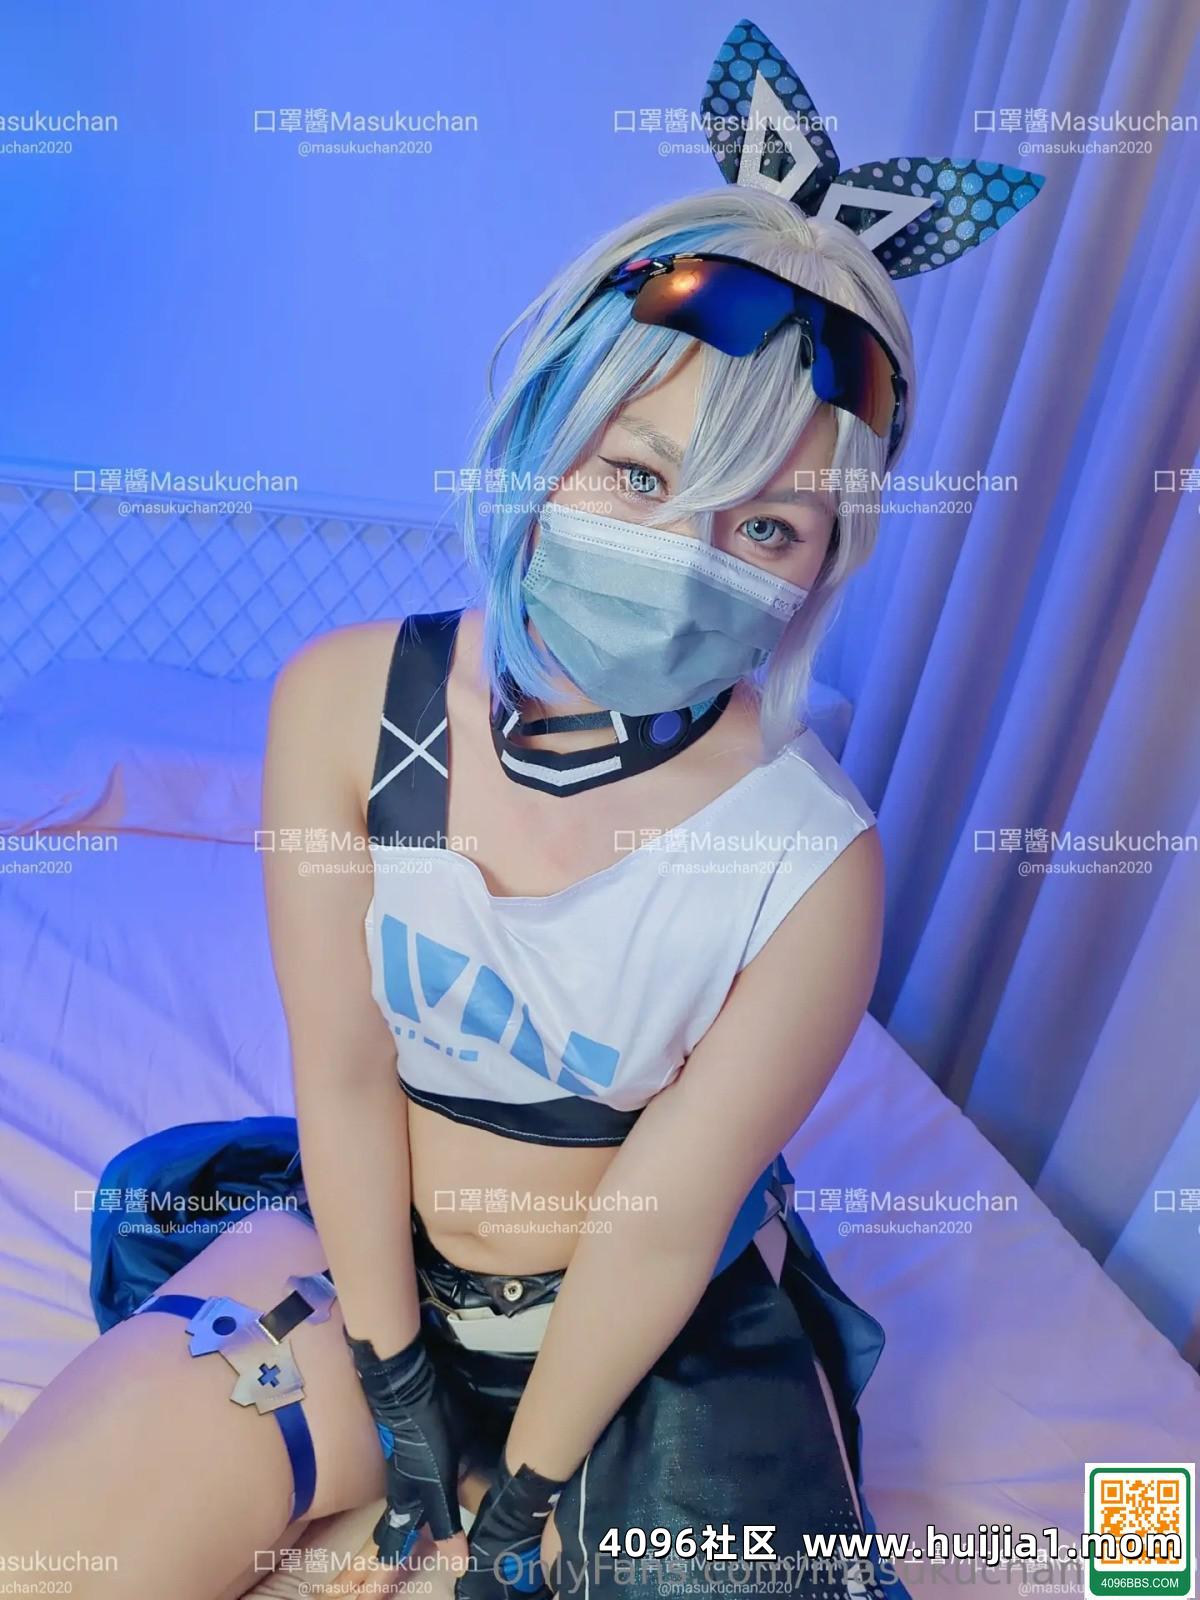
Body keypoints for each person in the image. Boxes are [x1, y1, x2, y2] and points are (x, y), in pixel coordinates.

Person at [0, 20, 1043, 1598]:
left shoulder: (810, 864)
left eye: (767, 525)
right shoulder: (345, 703)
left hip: (651, 1325)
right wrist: (399, 1389)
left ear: (826, 564)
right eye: (640, 476)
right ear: (548, 438)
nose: (684, 554)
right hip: (372, 1263)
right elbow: (346, 1074)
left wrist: (522, 1489)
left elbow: (661, 1219)